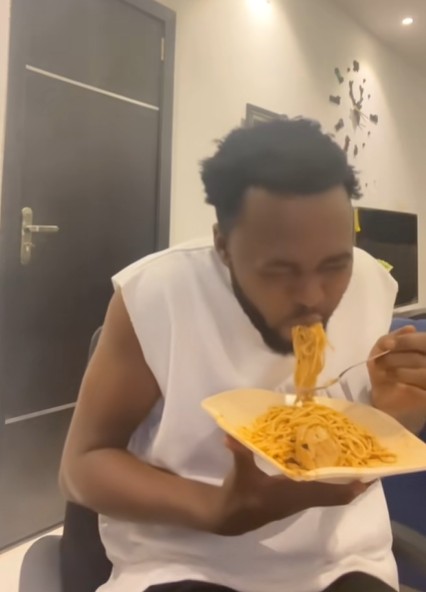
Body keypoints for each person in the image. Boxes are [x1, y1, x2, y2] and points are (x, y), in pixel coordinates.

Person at [60, 118, 426, 592]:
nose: (313, 297)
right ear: (224, 246)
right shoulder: (158, 294)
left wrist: (399, 415)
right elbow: (83, 464)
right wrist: (216, 510)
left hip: (342, 561)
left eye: (336, 265)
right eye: (279, 270)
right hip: (186, 561)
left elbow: (366, 446)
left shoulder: (372, 283)